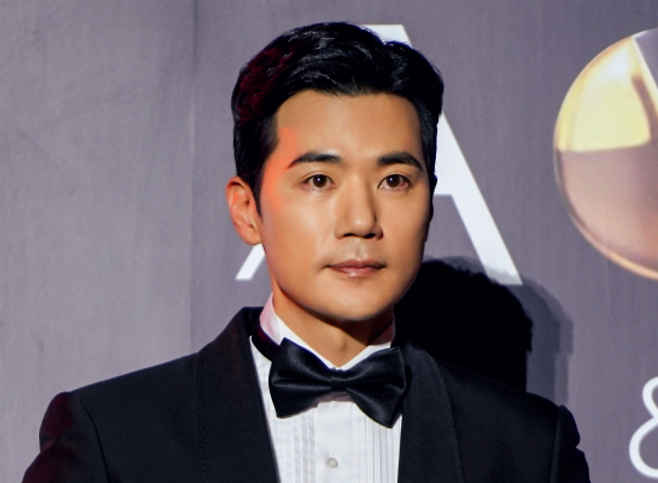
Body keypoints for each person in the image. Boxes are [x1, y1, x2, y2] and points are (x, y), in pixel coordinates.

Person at [23, 22, 590, 482]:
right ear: (247, 210)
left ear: (430, 202)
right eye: (319, 180)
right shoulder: (113, 439)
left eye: (394, 181)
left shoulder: (529, 450)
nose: (361, 220)